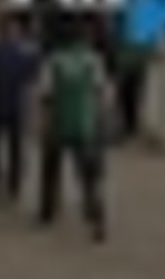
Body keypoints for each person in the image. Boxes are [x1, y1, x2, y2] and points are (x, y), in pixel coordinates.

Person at [35, 17, 113, 243]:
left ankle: (48, 210)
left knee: (51, 168)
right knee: (89, 176)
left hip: (60, 123)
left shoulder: (54, 61)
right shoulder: (92, 61)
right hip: (85, 123)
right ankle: (95, 214)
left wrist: (43, 123)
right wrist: (102, 119)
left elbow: (45, 96)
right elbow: (103, 93)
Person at [0, 14, 42, 203]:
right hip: (17, 105)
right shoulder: (27, 54)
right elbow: (34, 78)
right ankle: (13, 185)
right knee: (15, 147)